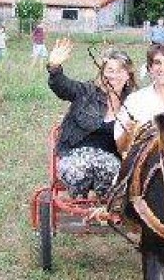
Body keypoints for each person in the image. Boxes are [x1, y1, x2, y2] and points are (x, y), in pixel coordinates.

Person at [47, 38, 138, 199]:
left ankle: (103, 203)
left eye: (120, 71)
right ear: (102, 73)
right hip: (75, 155)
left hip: (111, 160)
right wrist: (54, 68)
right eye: (110, 70)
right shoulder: (86, 92)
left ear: (128, 76)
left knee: (115, 174)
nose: (114, 75)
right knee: (80, 169)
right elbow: (63, 86)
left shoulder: (134, 103)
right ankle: (85, 198)